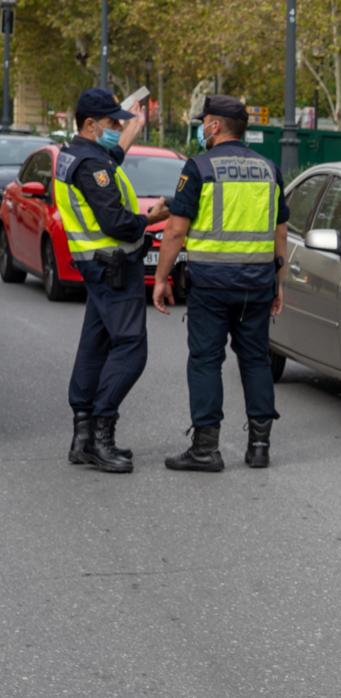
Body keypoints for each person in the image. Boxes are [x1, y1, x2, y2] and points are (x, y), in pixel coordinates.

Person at [151, 95, 289, 472]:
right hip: (257, 284)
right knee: (256, 361)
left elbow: (176, 230)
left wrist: (161, 278)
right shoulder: (269, 169)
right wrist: (279, 281)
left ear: (213, 125)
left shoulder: (198, 168)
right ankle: (259, 446)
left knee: (206, 361)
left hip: (211, 285)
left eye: (204, 121)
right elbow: (280, 232)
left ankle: (205, 449)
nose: (202, 127)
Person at [61, 88, 170, 474]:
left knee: (95, 345)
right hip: (114, 266)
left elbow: (111, 157)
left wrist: (131, 126)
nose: (115, 129)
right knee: (131, 349)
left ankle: (82, 437)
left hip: (94, 266)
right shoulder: (93, 167)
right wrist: (154, 217)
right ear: (90, 125)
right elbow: (118, 223)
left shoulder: (75, 155)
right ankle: (101, 434)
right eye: (110, 123)